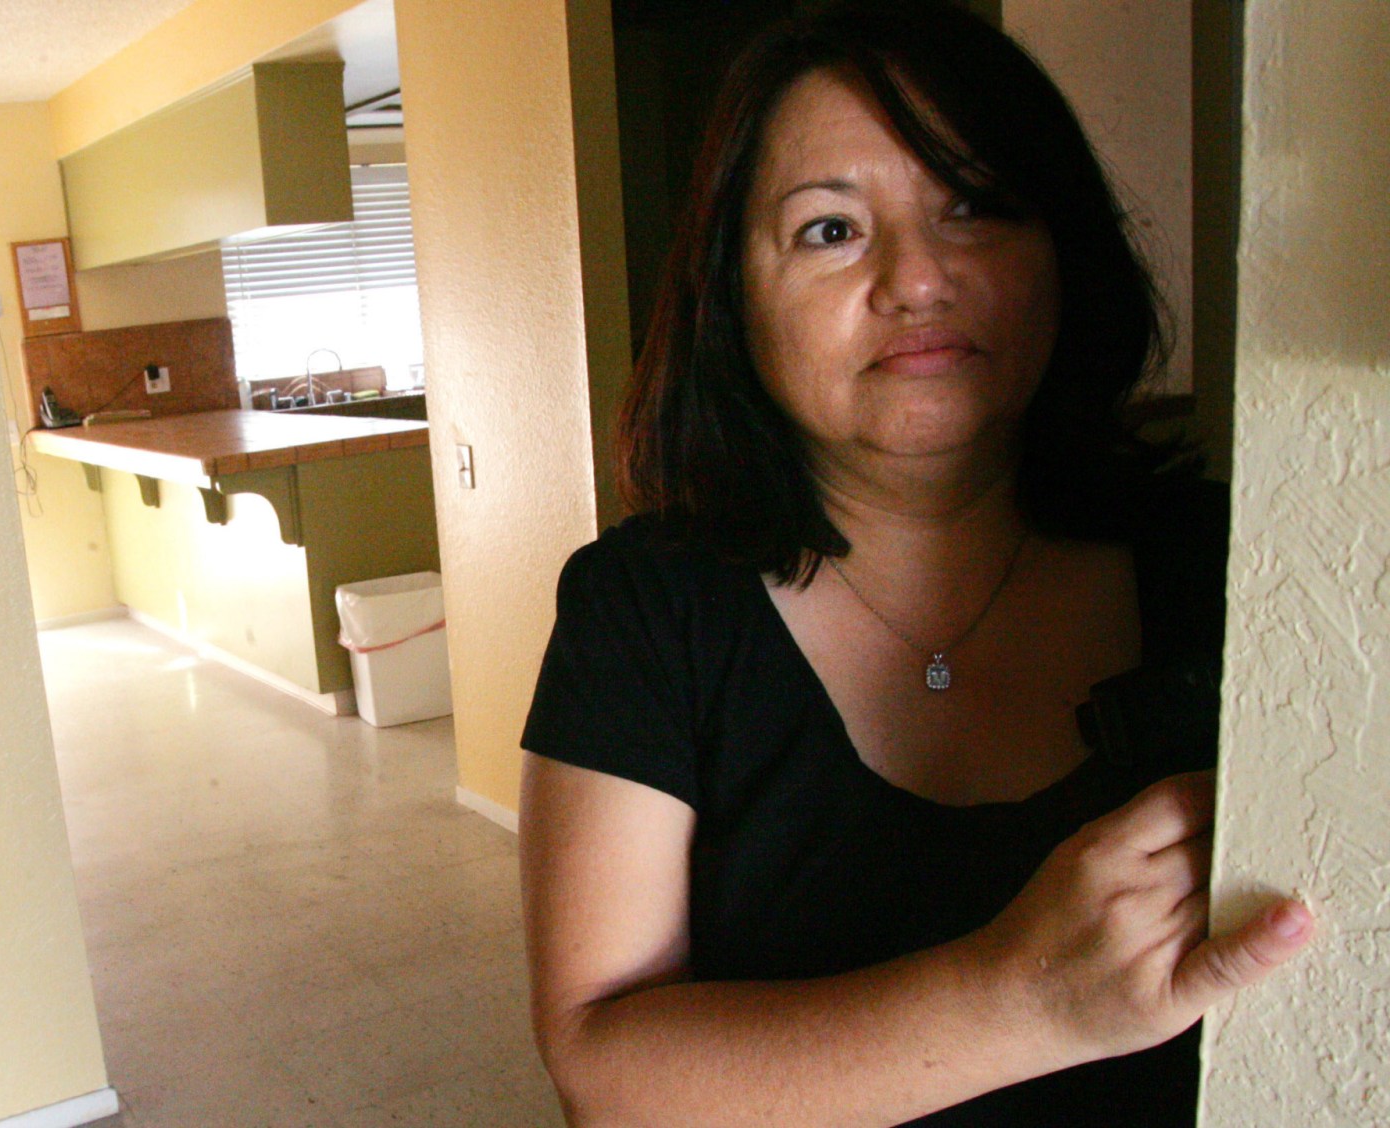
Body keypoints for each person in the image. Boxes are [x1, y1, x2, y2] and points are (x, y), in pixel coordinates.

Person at [516, 3, 1314, 1125]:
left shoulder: (1234, 568)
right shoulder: (644, 608)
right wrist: (1020, 1000)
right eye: (828, 231)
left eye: (973, 206)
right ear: (730, 296)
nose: (917, 280)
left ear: (1059, 250)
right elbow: (604, 1071)